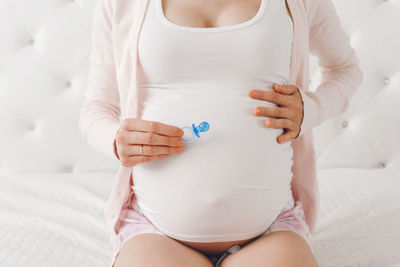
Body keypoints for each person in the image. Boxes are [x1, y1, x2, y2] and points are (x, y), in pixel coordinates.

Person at [79, 0, 363, 266]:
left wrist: (309, 109)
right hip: (153, 232)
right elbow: (96, 108)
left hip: (272, 230)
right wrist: (116, 141)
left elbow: (345, 69)